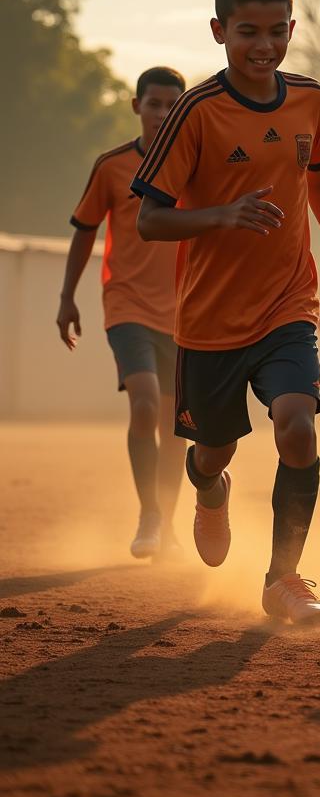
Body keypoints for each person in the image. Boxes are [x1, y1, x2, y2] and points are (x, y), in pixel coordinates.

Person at [130, 0, 320, 624]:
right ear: (218, 30)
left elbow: (317, 181)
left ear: (292, 29)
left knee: (297, 427)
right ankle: (211, 490)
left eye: (275, 32)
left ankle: (283, 578)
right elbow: (150, 218)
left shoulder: (310, 100)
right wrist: (221, 215)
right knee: (212, 454)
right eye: (246, 33)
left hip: (288, 306)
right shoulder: (195, 113)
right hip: (208, 322)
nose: (263, 47)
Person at [58, 66, 188, 561]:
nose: (162, 113)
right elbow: (85, 229)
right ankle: (149, 515)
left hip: (183, 312)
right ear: (137, 106)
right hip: (126, 303)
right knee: (146, 404)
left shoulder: (193, 168)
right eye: (154, 104)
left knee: (179, 423)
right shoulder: (112, 166)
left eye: (172, 105)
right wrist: (67, 297)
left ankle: (170, 525)